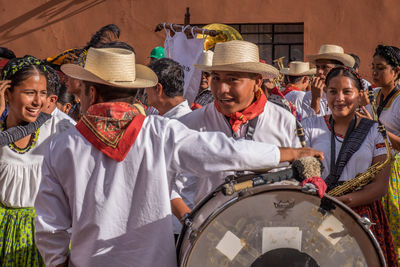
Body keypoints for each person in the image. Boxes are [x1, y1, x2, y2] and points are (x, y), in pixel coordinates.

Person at [34, 47, 323, 267]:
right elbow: (224, 152)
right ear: (135, 91)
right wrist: (293, 153)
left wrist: (59, 263)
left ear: (92, 92)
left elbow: (49, 227)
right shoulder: (161, 133)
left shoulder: (61, 146)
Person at [177, 40, 303, 206]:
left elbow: (297, 180)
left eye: (232, 79)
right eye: (216, 78)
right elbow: (175, 185)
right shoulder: (190, 124)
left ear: (257, 82)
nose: (221, 89)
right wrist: (193, 223)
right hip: (207, 227)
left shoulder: (284, 122)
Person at [302, 66, 397, 265]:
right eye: (333, 91)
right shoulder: (309, 126)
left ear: (359, 94)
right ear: (325, 92)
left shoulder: (374, 131)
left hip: (360, 212)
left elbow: (380, 186)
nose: (339, 98)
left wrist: (347, 200)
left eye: (347, 92)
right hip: (317, 210)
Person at [0, 56, 74, 266]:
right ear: (7, 94)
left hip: (47, 236)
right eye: (29, 93)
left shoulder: (59, 130)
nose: (38, 101)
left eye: (42, 93)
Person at [363, 44, 400, 263]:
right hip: (376, 167)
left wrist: (377, 127)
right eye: (373, 67)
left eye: (380, 68)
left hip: (396, 171)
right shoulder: (374, 95)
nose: (374, 73)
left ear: (396, 71)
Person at [303, 44, 355, 119]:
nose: (319, 72)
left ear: (338, 69)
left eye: (325, 67)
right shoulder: (309, 96)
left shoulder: (349, 96)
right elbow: (308, 126)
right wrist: (315, 99)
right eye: (318, 67)